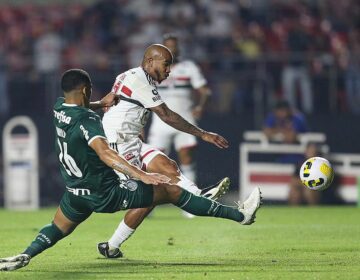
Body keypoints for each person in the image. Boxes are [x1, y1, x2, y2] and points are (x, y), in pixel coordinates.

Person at [0, 69, 262, 271]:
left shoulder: (59, 108)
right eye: (89, 91)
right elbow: (105, 153)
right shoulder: (88, 120)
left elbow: (78, 109)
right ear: (85, 89)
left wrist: (99, 104)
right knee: (169, 190)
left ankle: (26, 255)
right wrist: (142, 175)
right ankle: (241, 216)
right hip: (105, 192)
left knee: (58, 228)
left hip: (74, 192)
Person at [97, 43, 231, 258]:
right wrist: (204, 134)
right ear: (150, 62)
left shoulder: (129, 75)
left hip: (130, 139)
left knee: (168, 165)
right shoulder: (141, 81)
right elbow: (167, 115)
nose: (169, 70)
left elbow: (114, 103)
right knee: (150, 195)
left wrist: (136, 126)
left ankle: (199, 195)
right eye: (166, 64)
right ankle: (112, 245)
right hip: (119, 144)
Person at [147, 34, 211, 184]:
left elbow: (205, 91)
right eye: (167, 46)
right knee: (153, 162)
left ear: (179, 49)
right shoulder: (153, 70)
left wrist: (201, 106)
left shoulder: (189, 67)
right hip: (160, 121)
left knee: (187, 159)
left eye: (174, 46)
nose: (171, 49)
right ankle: (151, 204)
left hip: (185, 120)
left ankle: (190, 204)